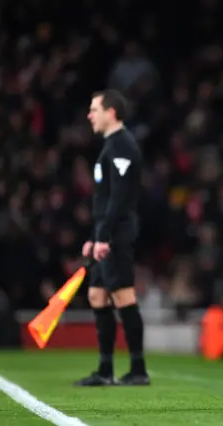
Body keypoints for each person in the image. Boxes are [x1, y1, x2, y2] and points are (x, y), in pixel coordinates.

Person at [75, 89, 149, 386]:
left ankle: (138, 369)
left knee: (122, 296)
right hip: (105, 233)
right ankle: (105, 370)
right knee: (97, 295)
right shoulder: (110, 146)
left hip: (117, 234)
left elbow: (118, 198)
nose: (90, 115)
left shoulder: (122, 146)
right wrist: (94, 236)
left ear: (112, 112)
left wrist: (104, 237)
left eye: (94, 109)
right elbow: (105, 200)